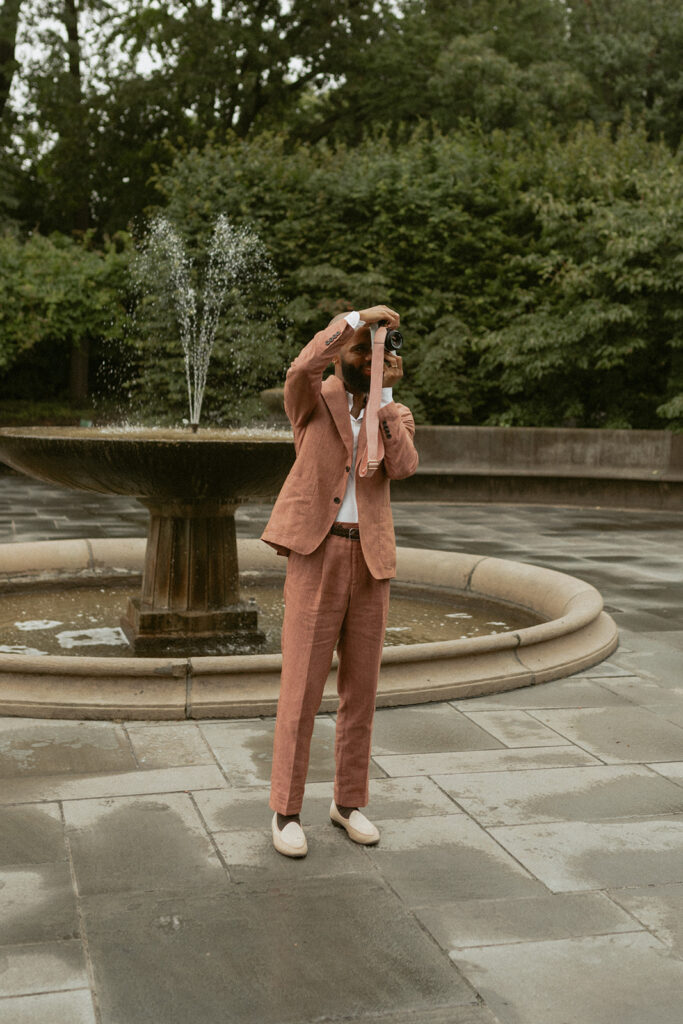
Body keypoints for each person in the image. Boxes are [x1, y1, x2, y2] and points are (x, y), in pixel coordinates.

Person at [261, 305, 419, 857]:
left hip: (371, 561)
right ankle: (285, 810)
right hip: (317, 554)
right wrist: (353, 321)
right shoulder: (314, 399)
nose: (370, 357)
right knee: (301, 687)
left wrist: (384, 401)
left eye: (379, 351)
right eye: (363, 351)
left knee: (362, 691)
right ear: (346, 354)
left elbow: (402, 466)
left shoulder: (392, 412)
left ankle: (348, 803)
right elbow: (301, 367)